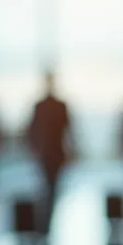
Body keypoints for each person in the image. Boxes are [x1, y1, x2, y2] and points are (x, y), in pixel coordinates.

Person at [26, 72, 74, 234]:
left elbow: (68, 130)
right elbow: (32, 130)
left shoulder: (52, 105)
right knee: (49, 188)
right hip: (48, 153)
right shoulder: (45, 105)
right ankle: (46, 222)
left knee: (50, 187)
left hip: (52, 153)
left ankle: (46, 222)